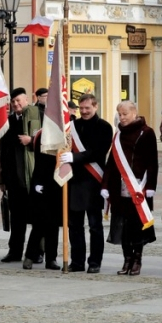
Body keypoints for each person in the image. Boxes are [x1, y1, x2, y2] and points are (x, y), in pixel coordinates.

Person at [101, 101, 158, 276]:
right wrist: (105, 185)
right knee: (123, 226)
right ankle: (126, 260)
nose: (122, 117)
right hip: (119, 188)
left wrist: (150, 186)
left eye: (125, 113)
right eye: (120, 114)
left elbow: (152, 161)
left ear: (134, 112)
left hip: (139, 188)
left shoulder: (147, 132)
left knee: (137, 226)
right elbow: (111, 163)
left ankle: (137, 260)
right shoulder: (118, 135)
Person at [65, 93, 112, 274]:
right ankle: (77, 261)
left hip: (94, 182)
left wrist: (75, 157)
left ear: (96, 107)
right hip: (75, 182)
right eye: (81, 108)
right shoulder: (73, 126)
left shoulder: (104, 127)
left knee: (94, 226)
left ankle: (94, 262)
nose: (84, 111)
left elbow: (98, 152)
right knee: (75, 226)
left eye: (88, 108)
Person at [0, 87, 41, 263]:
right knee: (16, 218)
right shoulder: (7, 122)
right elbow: (3, 152)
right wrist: (2, 179)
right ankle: (14, 251)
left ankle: (37, 252)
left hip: (33, 176)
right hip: (14, 178)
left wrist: (31, 140)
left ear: (27, 100)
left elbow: (48, 142)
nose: (16, 104)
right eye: (13, 102)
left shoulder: (37, 117)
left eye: (19, 101)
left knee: (37, 217)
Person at [24, 124, 67, 271]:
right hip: (42, 182)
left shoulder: (64, 134)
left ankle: (51, 259)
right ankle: (29, 256)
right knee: (39, 224)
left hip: (57, 183)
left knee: (53, 226)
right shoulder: (41, 135)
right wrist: (37, 183)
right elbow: (39, 161)